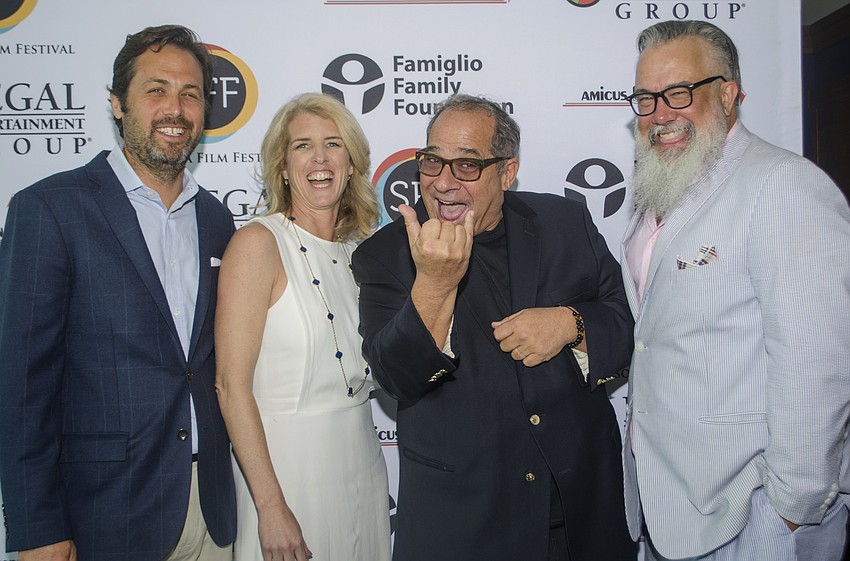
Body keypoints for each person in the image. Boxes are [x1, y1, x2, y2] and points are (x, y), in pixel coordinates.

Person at [352, 93, 636, 561]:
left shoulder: (565, 221)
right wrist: (435, 284)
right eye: (431, 162)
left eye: (466, 166)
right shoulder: (385, 254)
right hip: (466, 523)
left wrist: (571, 323)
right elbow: (396, 377)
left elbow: (627, 326)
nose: (443, 183)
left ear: (506, 172)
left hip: (580, 513)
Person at [0, 25, 236, 561]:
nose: (175, 109)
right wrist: (37, 528)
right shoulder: (50, 210)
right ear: (116, 104)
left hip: (215, 510)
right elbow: (21, 385)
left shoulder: (217, 220)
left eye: (190, 94)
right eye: (156, 90)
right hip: (104, 514)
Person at [621, 20, 850, 561]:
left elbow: (817, 367)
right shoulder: (660, 187)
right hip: (670, 508)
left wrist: (789, 513)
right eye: (646, 98)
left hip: (752, 518)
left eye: (679, 93)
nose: (660, 113)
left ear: (728, 93)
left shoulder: (782, 185)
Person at [215, 92, 391, 561]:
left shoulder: (363, 256)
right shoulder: (257, 244)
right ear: (282, 166)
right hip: (287, 478)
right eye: (302, 146)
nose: (319, 157)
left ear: (351, 163)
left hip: (364, 470)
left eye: (333, 144)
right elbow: (231, 387)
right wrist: (270, 506)